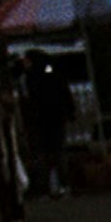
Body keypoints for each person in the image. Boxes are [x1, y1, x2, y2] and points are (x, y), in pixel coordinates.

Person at [19, 50, 73, 197]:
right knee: (58, 152)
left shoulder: (28, 78)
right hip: (56, 118)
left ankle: (43, 187)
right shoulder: (54, 74)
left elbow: (26, 100)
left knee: (40, 154)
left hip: (38, 121)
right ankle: (63, 184)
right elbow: (65, 94)